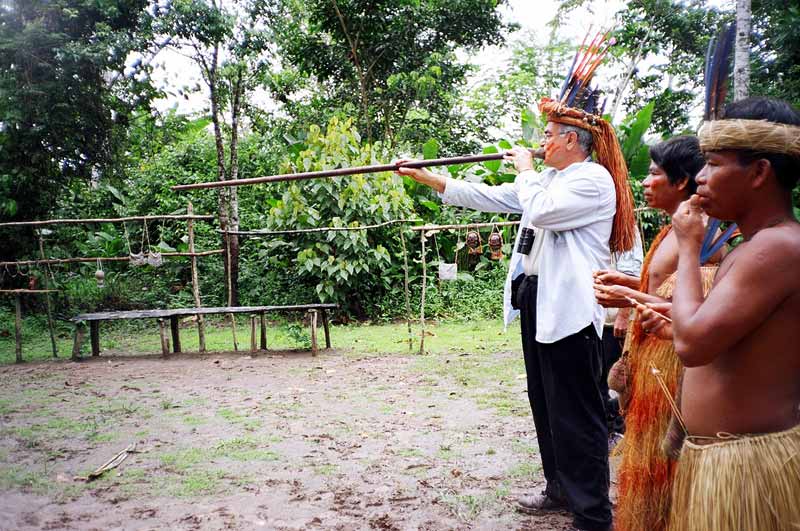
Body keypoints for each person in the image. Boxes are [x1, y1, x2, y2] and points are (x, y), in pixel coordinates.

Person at [397, 95, 637, 531]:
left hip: (569, 311)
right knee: (544, 403)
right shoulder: (547, 178)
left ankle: (592, 514)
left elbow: (541, 211)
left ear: (570, 139)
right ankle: (559, 488)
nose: (541, 142)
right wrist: (427, 178)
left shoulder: (592, 181)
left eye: (547, 136)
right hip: (535, 299)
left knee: (577, 413)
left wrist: (526, 169)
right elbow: (490, 196)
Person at [662, 96, 800, 531]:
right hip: (724, 460)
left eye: (714, 164)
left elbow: (693, 344)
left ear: (759, 172)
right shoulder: (756, 247)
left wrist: (687, 247)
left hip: (748, 466)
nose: (700, 178)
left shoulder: (777, 248)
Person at [593, 136, 712, 531]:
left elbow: (689, 305)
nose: (645, 182)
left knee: (664, 465)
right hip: (650, 363)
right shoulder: (674, 230)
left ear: (681, 182)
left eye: (654, 174)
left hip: (670, 368)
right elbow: (663, 289)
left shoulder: (703, 237)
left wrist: (627, 294)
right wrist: (628, 284)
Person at [600, 230, 643, 447]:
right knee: (598, 378)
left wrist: (623, 314)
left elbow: (633, 271)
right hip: (596, 319)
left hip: (614, 319)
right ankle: (606, 430)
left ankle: (619, 431)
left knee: (615, 378)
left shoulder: (625, 226)